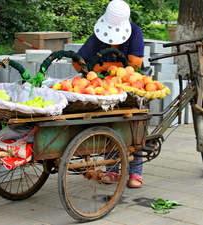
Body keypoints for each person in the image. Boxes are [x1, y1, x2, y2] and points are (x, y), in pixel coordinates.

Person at [73, 0, 144, 188]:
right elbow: (78, 61)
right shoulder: (99, 36)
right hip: (105, 89)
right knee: (110, 122)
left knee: (134, 123)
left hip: (130, 86)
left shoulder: (134, 32)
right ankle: (112, 169)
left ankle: (135, 172)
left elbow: (136, 65)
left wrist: (102, 66)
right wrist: (89, 69)